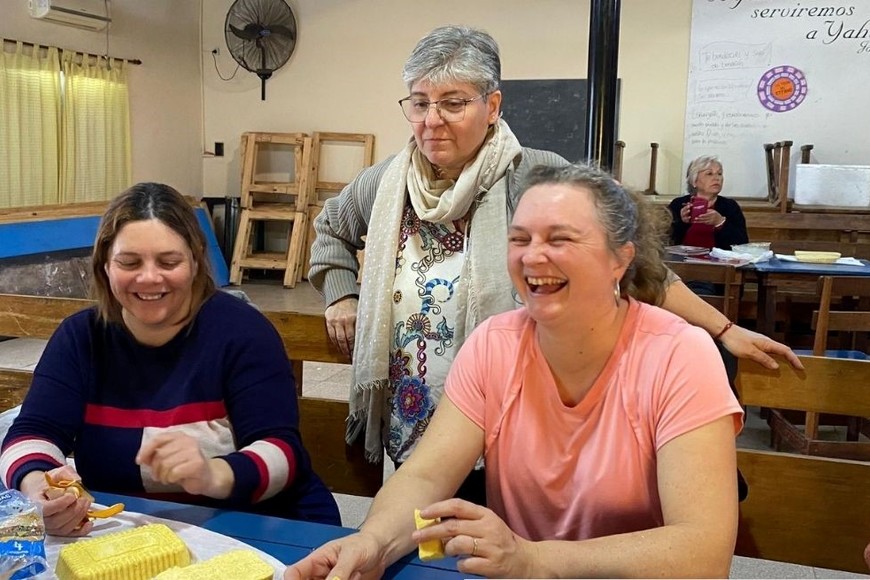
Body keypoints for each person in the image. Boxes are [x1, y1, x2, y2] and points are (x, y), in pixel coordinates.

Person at [309, 25, 799, 500]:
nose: (431, 120)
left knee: (507, 540)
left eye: (453, 103)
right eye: (420, 103)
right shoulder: (385, 183)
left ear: (492, 105)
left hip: (513, 407)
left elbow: (637, 266)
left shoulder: (539, 176)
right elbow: (329, 230)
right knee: (431, 543)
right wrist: (343, 294)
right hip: (411, 408)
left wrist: (723, 328)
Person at [287, 163, 743, 579]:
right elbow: (426, 478)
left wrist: (534, 559)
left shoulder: (680, 355)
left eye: (560, 239)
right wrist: (373, 543)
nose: (532, 257)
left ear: (620, 260)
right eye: (520, 238)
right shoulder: (494, 345)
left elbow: (702, 553)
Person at [0, 182, 340, 536]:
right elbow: (32, 433)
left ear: (195, 262)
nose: (149, 277)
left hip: (261, 525)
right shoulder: (81, 338)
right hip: (131, 529)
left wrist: (213, 474)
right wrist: (38, 489)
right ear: (104, 266)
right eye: (129, 262)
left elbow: (283, 452)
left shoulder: (243, 333)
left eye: (169, 261)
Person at [668, 155, 749, 253]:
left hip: (718, 265)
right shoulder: (678, 204)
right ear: (694, 181)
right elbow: (664, 240)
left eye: (719, 174)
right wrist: (680, 221)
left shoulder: (730, 206)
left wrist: (720, 223)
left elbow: (742, 244)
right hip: (683, 263)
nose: (716, 178)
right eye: (709, 174)